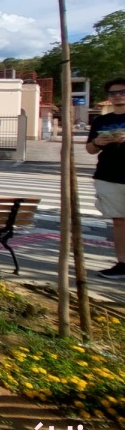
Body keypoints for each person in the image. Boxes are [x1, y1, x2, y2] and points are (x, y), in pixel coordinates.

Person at [85, 76, 125, 279]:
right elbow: (90, 149)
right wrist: (98, 143)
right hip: (109, 175)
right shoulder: (101, 121)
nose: (117, 96)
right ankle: (122, 263)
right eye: (113, 93)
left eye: (122, 92)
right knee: (119, 221)